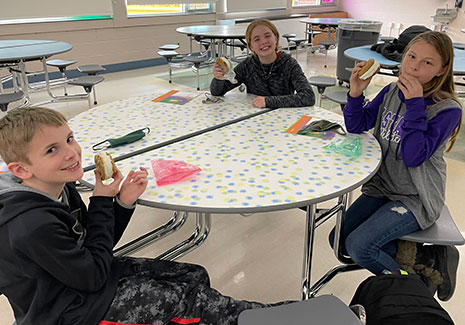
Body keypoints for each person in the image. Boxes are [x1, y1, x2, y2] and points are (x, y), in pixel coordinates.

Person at [0, 107, 284, 325]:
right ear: (21, 169)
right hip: (69, 311)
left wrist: (121, 203)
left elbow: (96, 246)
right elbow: (93, 275)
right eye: (52, 150)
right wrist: (101, 199)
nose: (72, 153)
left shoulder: (57, 187)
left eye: (69, 139)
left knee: (194, 275)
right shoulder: (30, 224)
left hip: (84, 280)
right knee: (193, 302)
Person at [329, 31, 462, 301]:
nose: (414, 66)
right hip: (383, 187)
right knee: (338, 240)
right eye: (411, 57)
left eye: (427, 63)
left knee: (360, 247)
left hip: (416, 197)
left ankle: (414, 288)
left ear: (442, 70)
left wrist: (414, 104)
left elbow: (414, 157)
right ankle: (422, 255)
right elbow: (357, 125)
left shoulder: (447, 110)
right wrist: (355, 93)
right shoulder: (391, 91)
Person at [210, 18, 315, 109]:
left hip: (283, 118)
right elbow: (217, 92)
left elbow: (308, 96)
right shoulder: (248, 65)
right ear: (251, 47)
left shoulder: (289, 64)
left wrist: (268, 101)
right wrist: (219, 79)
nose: (263, 42)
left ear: (276, 38)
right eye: (257, 39)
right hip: (255, 119)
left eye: (267, 36)